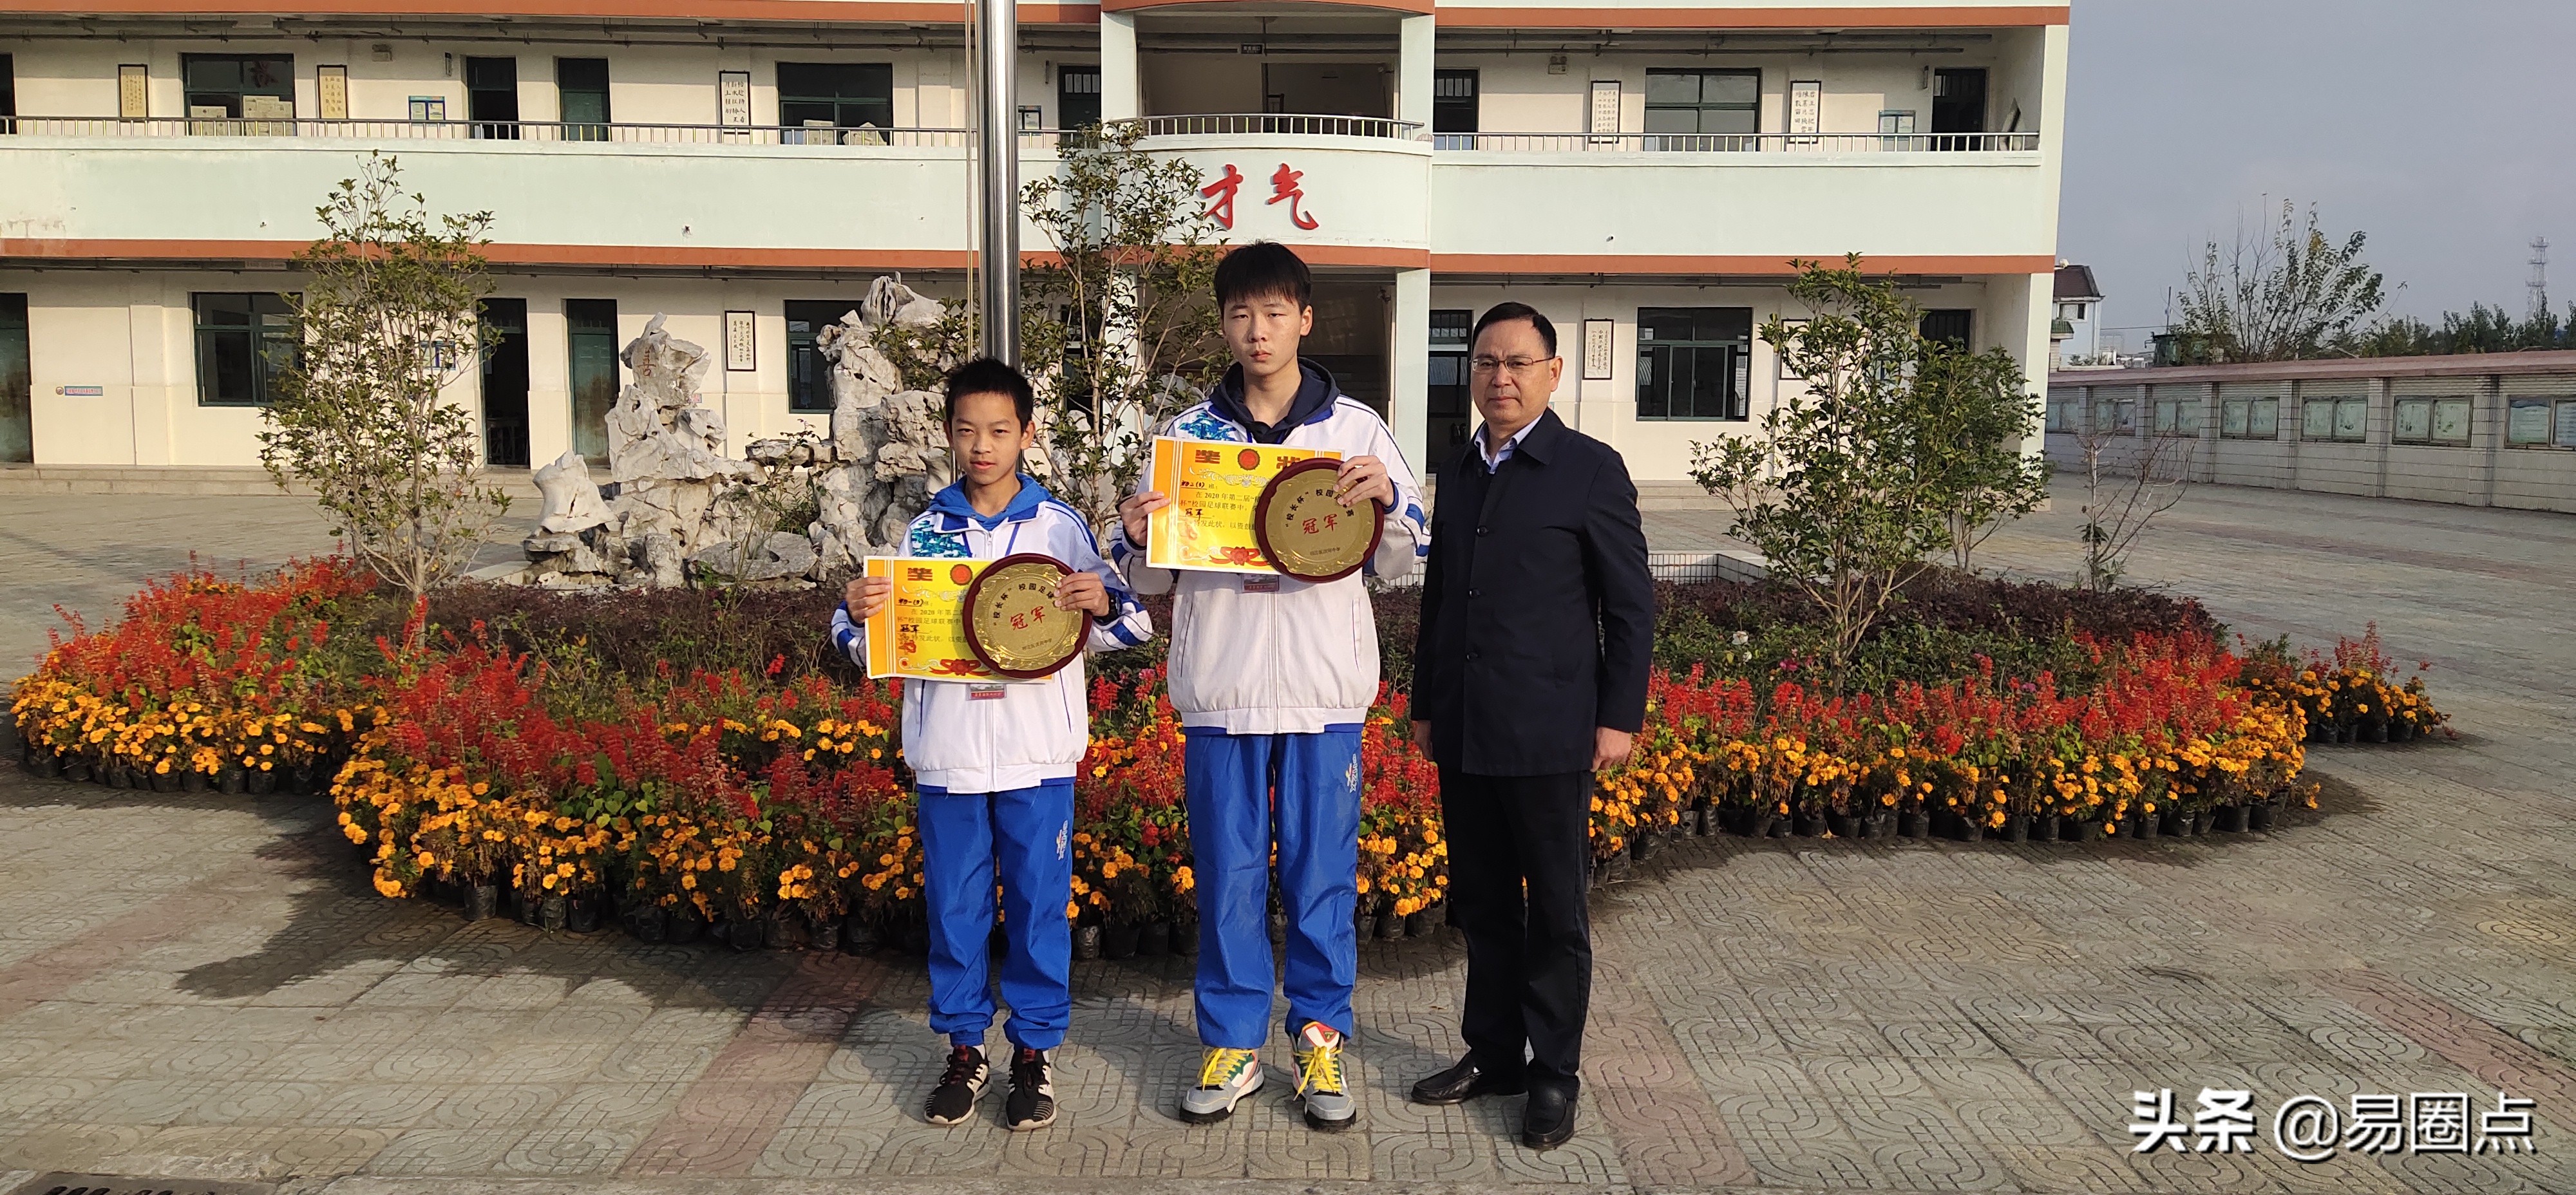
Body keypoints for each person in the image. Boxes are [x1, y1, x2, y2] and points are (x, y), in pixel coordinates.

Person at [1112, 242, 1430, 1131]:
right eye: (1242, 314)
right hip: (1222, 690)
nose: (1259, 331)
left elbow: (1405, 557)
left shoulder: (1356, 431)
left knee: (1322, 876)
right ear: (1223, 324)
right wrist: (1134, 533)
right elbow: (1147, 579)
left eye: (1276, 313)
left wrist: (1387, 502)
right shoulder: (1187, 438)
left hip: (1325, 692)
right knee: (1228, 876)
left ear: (1305, 320)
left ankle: (1320, 1040)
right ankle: (1233, 1042)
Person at [831, 357, 1153, 1131]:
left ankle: (1034, 1053)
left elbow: (1134, 623)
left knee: (1039, 908)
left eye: (999, 430)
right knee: (955, 907)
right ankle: (964, 1047)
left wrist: (1100, 601)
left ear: (1027, 434)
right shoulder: (923, 530)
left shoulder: (1059, 527)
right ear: (948, 434)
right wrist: (852, 612)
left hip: (1037, 752)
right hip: (947, 752)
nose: (982, 445)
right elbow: (871, 644)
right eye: (968, 430)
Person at [1404, 302, 1653, 1151]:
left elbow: (1630, 605)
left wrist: (1618, 716)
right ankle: (1493, 1053)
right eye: (1485, 362)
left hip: (1550, 729)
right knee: (1481, 904)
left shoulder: (1588, 469)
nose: (1499, 377)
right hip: (1467, 727)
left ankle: (1553, 1073)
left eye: (1517, 363)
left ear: (1552, 372)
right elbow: (1441, 600)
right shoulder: (1460, 467)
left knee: (1553, 911)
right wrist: (1426, 705)